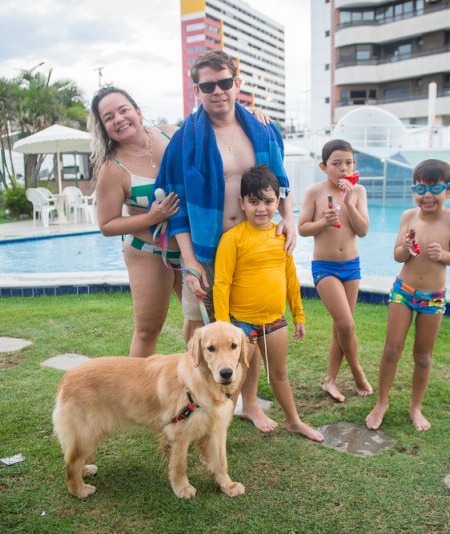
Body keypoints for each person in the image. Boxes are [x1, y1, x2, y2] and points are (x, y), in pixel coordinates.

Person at [153, 50, 295, 432]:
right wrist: (189, 261)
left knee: (244, 330)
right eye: (207, 85)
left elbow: (279, 183)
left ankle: (248, 403)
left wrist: (290, 220)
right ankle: (196, 392)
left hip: (250, 247)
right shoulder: (186, 140)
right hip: (204, 247)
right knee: (195, 327)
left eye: (224, 82)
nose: (217, 91)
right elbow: (177, 205)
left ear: (238, 82)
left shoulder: (261, 130)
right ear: (197, 89)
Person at [214, 166, 323, 442]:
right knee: (235, 380)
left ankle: (294, 421)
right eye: (254, 202)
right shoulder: (233, 239)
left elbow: (290, 278)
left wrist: (298, 314)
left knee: (280, 374)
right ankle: (217, 434)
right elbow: (222, 283)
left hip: (275, 321)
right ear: (242, 203)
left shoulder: (281, 235)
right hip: (241, 325)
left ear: (278, 201)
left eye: (268, 201)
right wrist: (224, 325)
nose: (261, 208)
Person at [365, 159, 450, 431]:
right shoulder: (408, 217)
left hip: (432, 298)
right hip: (404, 291)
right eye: (420, 189)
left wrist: (444, 255)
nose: (427, 195)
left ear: (449, 190)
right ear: (413, 190)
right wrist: (407, 247)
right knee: (391, 350)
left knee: (423, 356)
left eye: (435, 188)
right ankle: (382, 402)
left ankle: (415, 406)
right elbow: (397, 255)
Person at [89, 87, 183, 357]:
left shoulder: (171, 134)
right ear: (105, 128)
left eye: (123, 110)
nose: (118, 119)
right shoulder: (112, 169)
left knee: (202, 321)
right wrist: (152, 217)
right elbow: (107, 225)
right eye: (108, 117)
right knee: (148, 330)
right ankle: (137, 396)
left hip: (189, 247)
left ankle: (203, 390)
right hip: (148, 252)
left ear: (138, 112)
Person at [297, 139, 372, 402]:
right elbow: (302, 228)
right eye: (336, 163)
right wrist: (322, 222)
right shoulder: (315, 192)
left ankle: (330, 380)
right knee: (346, 323)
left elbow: (362, 230)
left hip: (351, 267)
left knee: (341, 328)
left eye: (348, 163)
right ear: (323, 166)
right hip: (325, 267)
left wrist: (349, 202)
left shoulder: (359, 192)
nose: (343, 168)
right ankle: (357, 370)